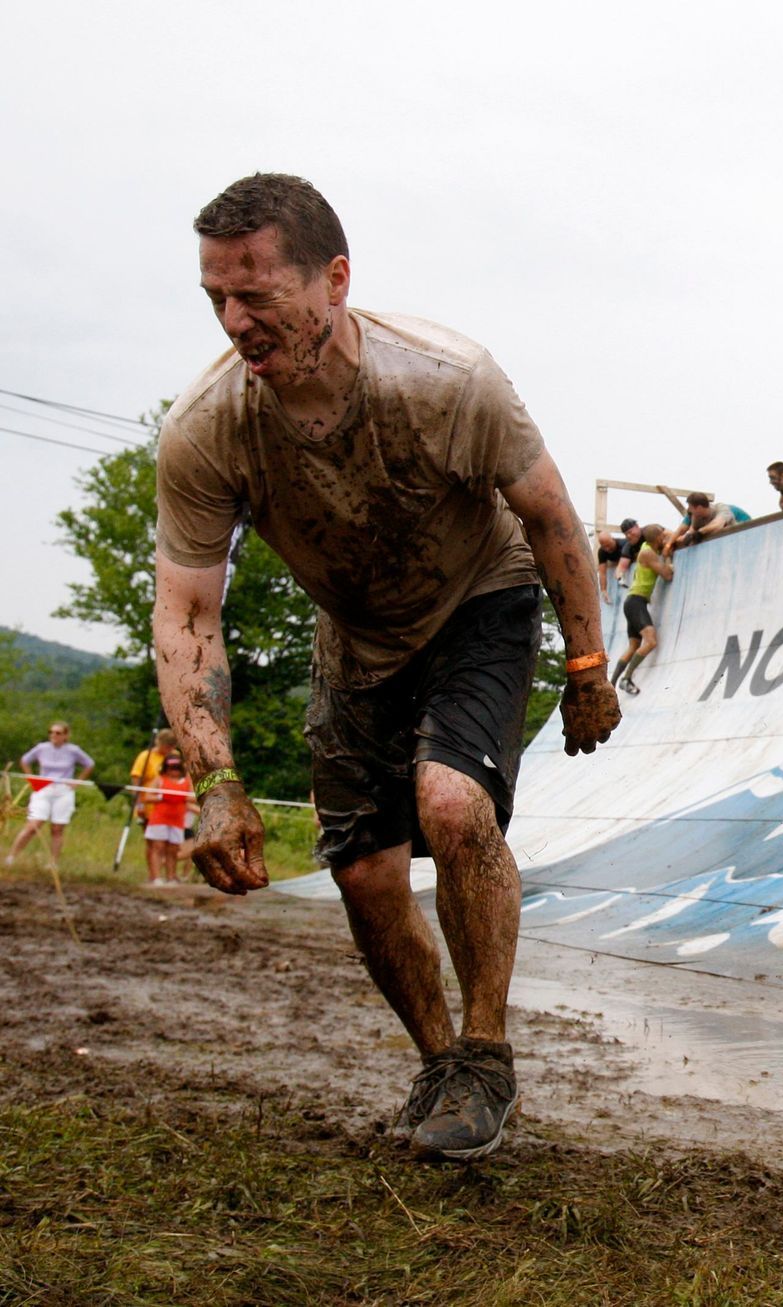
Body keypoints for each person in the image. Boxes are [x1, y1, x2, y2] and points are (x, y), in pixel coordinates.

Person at [152, 172, 620, 1163]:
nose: (237, 321)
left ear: (333, 279)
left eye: (258, 295)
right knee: (363, 873)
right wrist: (217, 781)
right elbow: (187, 608)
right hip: (354, 634)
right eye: (217, 300)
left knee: (451, 804)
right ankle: (441, 1063)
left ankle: (487, 1050)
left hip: (477, 597)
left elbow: (548, 516)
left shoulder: (447, 379)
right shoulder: (207, 429)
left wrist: (587, 664)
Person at [6, 722, 93, 871]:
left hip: (63, 790)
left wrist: (76, 782)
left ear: (65, 735)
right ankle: (11, 857)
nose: (54, 735)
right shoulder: (42, 748)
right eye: (51, 732)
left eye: (58, 733)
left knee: (57, 828)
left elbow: (89, 763)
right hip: (44, 788)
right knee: (33, 824)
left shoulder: (73, 750)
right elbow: (25, 760)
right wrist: (31, 778)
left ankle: (53, 863)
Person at [610, 526, 672, 694]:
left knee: (633, 646)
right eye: (662, 535)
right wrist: (666, 558)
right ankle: (626, 678)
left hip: (633, 602)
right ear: (658, 538)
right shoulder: (648, 553)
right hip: (636, 602)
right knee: (651, 642)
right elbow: (667, 575)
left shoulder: (646, 548)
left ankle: (611, 686)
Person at [143, 753, 197, 885]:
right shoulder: (159, 779)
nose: (174, 770)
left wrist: (182, 797)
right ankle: (156, 877)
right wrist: (162, 797)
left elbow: (193, 797)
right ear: (166, 768)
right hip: (159, 819)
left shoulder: (186, 781)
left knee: (173, 849)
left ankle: (171, 876)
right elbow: (147, 797)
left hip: (177, 820)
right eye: (171, 767)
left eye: (177, 767)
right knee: (158, 847)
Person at [668, 491, 751, 551]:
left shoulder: (722, 508)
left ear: (699, 508)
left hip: (743, 534)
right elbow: (684, 530)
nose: (689, 510)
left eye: (690, 507)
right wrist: (669, 544)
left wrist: (699, 532)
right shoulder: (695, 516)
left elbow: (717, 524)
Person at [129, 727, 179, 825]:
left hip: (171, 807)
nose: (170, 750)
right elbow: (136, 783)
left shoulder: (175, 756)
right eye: (167, 747)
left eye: (172, 747)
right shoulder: (145, 757)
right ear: (159, 743)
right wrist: (139, 805)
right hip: (149, 808)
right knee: (153, 839)